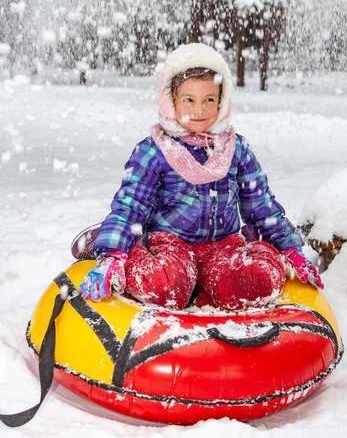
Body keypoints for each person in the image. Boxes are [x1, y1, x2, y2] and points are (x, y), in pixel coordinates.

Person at [79, 43, 323, 310]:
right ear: (170, 101)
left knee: (254, 284)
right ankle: (121, 247)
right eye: (188, 100)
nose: (199, 110)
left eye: (209, 99)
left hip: (223, 246)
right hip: (169, 243)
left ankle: (215, 283)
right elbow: (131, 206)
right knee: (165, 287)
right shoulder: (154, 151)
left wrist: (290, 249)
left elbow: (261, 206)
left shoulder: (236, 149)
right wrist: (112, 254)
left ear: (222, 101)